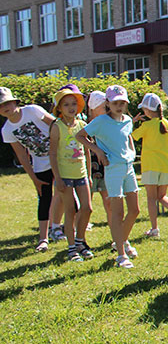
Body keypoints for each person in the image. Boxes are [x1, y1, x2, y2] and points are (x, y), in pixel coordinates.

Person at [76, 85, 140, 268]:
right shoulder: (101, 121)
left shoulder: (128, 120)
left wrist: (132, 152)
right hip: (112, 169)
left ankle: (122, 241)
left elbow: (128, 138)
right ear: (108, 103)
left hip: (128, 167)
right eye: (115, 103)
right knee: (117, 212)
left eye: (122, 102)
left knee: (134, 210)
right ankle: (121, 255)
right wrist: (98, 152)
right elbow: (80, 136)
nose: (119, 106)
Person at [0, 86, 59, 252]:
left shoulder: (33, 110)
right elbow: (22, 155)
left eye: (6, 103)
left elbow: (55, 124)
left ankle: (72, 230)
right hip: (41, 164)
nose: (4, 107)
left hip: (60, 156)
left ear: (14, 102)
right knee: (44, 198)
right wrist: (33, 178)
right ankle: (43, 238)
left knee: (67, 191)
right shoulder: (7, 130)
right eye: (0, 105)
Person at [47, 85, 93, 260]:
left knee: (87, 208)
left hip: (81, 175)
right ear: (59, 108)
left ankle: (81, 241)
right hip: (65, 176)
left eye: (73, 103)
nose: (71, 107)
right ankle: (71, 247)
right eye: (66, 104)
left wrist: (88, 174)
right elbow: (52, 153)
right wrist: (57, 178)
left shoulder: (82, 125)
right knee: (70, 210)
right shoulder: (56, 127)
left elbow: (87, 150)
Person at [132, 93, 168, 238]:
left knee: (151, 198)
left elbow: (131, 135)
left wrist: (134, 121)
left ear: (147, 111)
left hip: (150, 166)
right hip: (166, 166)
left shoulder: (146, 125)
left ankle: (154, 229)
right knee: (162, 195)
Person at [87, 90, 112, 223]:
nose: (107, 109)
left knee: (109, 201)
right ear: (93, 108)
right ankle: (82, 226)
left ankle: (113, 224)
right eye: (103, 107)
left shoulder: (108, 123)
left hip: (105, 167)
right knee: (86, 202)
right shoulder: (85, 125)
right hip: (88, 168)